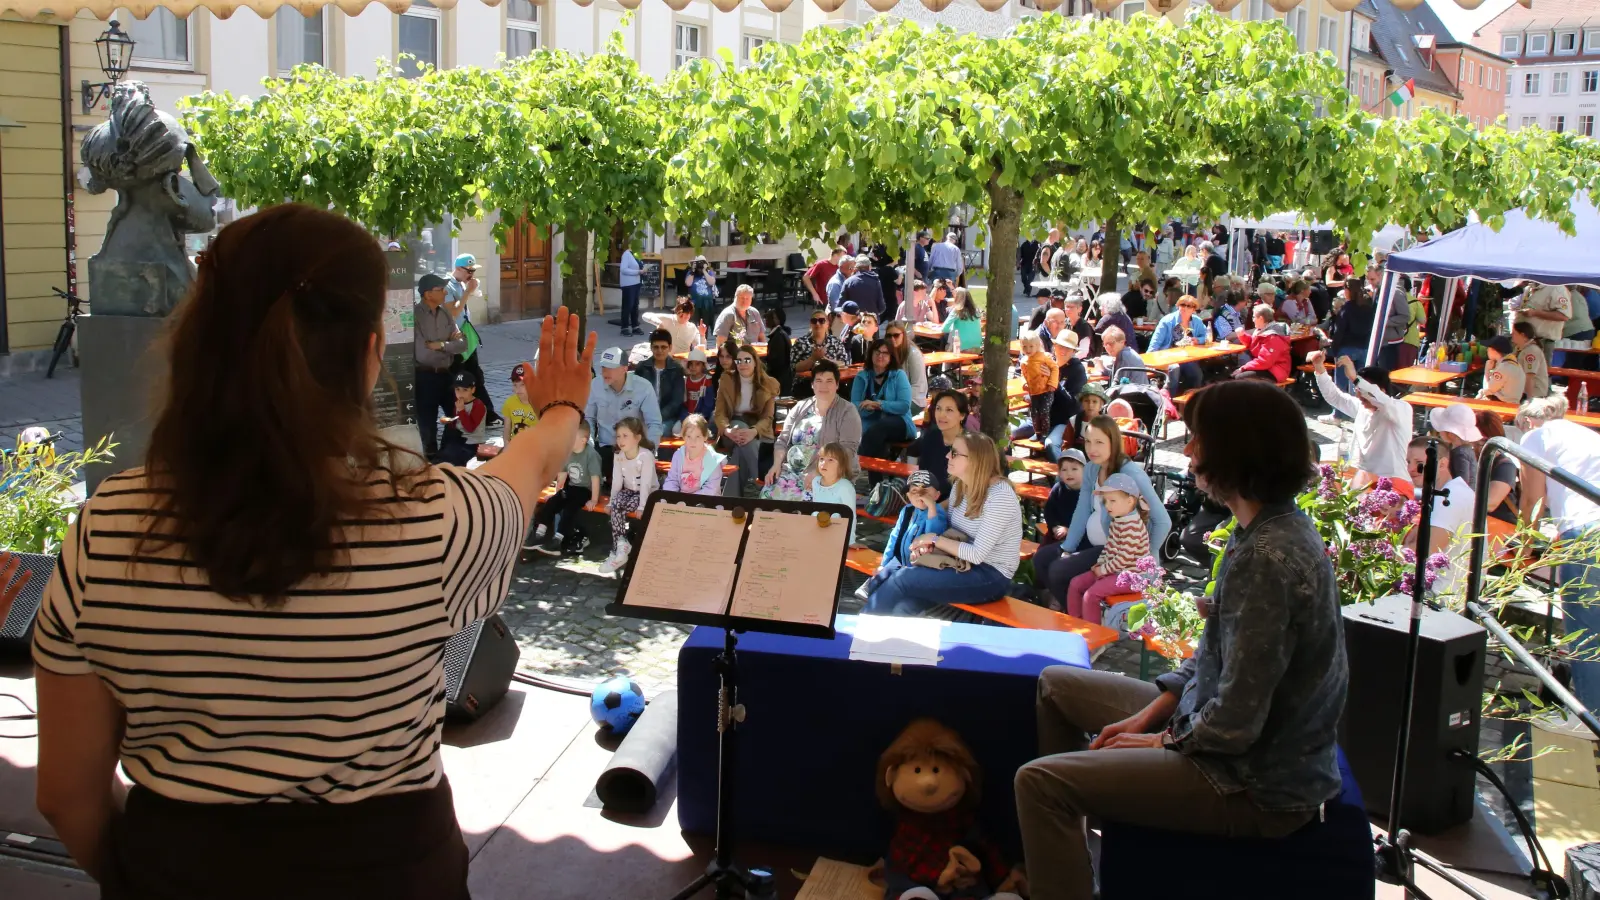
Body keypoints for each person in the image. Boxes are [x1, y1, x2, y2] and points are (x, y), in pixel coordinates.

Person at [29, 203, 596, 898]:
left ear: (200, 343)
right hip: (389, 874)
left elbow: (64, 795)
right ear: (366, 353)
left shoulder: (106, 528)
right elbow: (530, 465)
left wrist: (154, 875)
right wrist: (563, 408)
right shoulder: (436, 519)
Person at [1016, 379, 1344, 900]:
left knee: (1038, 783)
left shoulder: (1269, 558)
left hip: (1251, 780)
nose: (1187, 451)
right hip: (1210, 724)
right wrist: (1149, 714)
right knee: (1056, 685)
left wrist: (1158, 741)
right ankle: (1072, 858)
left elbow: (1237, 722)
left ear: (1236, 451)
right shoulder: (1254, 531)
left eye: (1197, 439)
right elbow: (1215, 655)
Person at [866, 432, 1022, 616]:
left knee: (902, 579)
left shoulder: (1000, 496)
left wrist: (933, 539)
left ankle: (858, 635)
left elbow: (977, 554)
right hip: (955, 563)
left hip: (990, 575)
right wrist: (925, 544)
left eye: (954, 453)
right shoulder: (960, 486)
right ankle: (882, 641)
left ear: (975, 460)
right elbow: (945, 525)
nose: (947, 456)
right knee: (903, 606)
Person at [1032, 416, 1170, 610]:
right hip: (1092, 542)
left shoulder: (1131, 474)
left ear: (1113, 443)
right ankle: (1074, 610)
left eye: (1099, 442)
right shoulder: (1091, 468)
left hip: (1116, 549)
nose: (1091, 449)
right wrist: (1068, 548)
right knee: (1041, 559)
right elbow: (1082, 510)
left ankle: (1084, 620)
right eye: (1088, 441)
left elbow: (1163, 521)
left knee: (1058, 571)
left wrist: (1144, 561)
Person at [1517, 395, 1600, 709]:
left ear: (1528, 421)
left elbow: (1532, 503)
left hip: (1587, 533)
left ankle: (1594, 719)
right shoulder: (1584, 436)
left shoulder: (1535, 436)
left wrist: (1522, 551)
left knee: (1587, 637)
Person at [1307, 350, 1412, 490]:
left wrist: (1354, 378)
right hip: (1365, 480)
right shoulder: (1362, 408)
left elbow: (1379, 399)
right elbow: (1335, 397)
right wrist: (1319, 367)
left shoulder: (1401, 409)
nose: (1359, 395)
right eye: (1357, 389)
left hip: (1395, 482)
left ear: (1382, 390)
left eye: (1361, 390)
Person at [764, 360, 861, 501]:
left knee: (802, 505)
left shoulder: (847, 411)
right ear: (812, 384)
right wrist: (776, 464)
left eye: (829, 381)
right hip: (792, 471)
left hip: (829, 475)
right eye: (819, 381)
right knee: (766, 500)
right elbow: (783, 440)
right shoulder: (801, 407)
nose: (823, 386)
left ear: (837, 385)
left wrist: (819, 471)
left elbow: (848, 450)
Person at [1064, 473, 1150, 623]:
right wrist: (1100, 563)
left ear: (1130, 501)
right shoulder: (1119, 520)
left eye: (1112, 501)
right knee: (1075, 584)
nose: (1107, 505)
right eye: (1105, 501)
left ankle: (1095, 638)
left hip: (1132, 577)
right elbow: (1109, 547)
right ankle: (1077, 624)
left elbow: (1124, 558)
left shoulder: (1133, 527)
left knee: (1091, 595)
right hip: (1115, 571)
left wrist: (1103, 570)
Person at [860, 469, 951, 601]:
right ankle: (871, 594)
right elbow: (894, 537)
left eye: (925, 491)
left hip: (918, 566)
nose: (919, 495)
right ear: (908, 495)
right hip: (898, 560)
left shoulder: (937, 513)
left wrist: (931, 507)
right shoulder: (907, 510)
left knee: (893, 589)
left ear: (936, 495)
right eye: (914, 491)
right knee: (879, 578)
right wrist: (884, 563)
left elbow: (933, 534)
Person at [1403, 436, 1476, 598]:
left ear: (1442, 464)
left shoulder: (1449, 497)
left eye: (1419, 463)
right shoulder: (1448, 492)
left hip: (1441, 595)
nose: (1411, 469)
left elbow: (1425, 550)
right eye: (1408, 462)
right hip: (1441, 590)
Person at [586, 346, 663, 485]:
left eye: (610, 368)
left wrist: (649, 452)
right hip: (606, 448)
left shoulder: (643, 387)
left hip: (634, 449)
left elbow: (654, 423)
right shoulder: (595, 385)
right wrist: (589, 446)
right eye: (603, 367)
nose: (605, 372)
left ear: (624, 368)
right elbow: (588, 419)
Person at [714, 341, 780, 496]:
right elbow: (720, 413)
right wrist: (727, 430)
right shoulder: (727, 380)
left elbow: (768, 418)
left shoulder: (769, 384)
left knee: (740, 452)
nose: (743, 364)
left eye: (747, 360)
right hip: (732, 430)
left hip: (758, 431)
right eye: (739, 361)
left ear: (755, 362)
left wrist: (754, 431)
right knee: (738, 426)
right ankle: (765, 485)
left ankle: (730, 500)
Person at [530, 420, 603, 556]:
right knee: (553, 502)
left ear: (583, 440)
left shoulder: (591, 455)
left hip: (586, 490)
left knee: (570, 509)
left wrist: (594, 499)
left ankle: (558, 539)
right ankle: (539, 534)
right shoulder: (567, 452)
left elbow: (595, 479)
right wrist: (557, 494)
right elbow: (562, 475)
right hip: (572, 487)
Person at [443, 254, 499, 426]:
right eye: (469, 271)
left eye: (474, 270)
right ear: (458, 269)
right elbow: (452, 313)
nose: (472, 274)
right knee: (458, 380)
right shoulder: (447, 285)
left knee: (476, 377)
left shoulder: (461, 283)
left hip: (466, 338)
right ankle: (459, 417)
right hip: (454, 340)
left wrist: (469, 289)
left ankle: (488, 415)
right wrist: (467, 292)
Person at [414, 272, 466, 457]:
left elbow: (463, 344)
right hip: (425, 376)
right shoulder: (415, 316)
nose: (445, 293)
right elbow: (423, 354)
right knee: (427, 420)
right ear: (428, 294)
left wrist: (441, 345)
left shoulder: (445, 313)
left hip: (446, 373)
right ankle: (429, 455)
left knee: (457, 414)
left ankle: (447, 452)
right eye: (441, 289)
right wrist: (449, 347)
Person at [599, 417, 657, 575]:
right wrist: (611, 502)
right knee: (617, 504)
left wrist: (643, 506)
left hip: (648, 494)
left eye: (625, 436)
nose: (620, 440)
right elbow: (617, 482)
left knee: (623, 505)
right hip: (630, 491)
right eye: (618, 436)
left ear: (637, 438)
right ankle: (621, 548)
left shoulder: (645, 456)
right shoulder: (618, 456)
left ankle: (618, 551)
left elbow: (646, 484)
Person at [852, 338, 916, 459]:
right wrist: (868, 408)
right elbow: (854, 405)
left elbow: (904, 405)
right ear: (871, 354)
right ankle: (876, 476)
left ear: (891, 357)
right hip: (870, 425)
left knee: (879, 428)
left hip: (899, 423)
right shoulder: (861, 376)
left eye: (885, 353)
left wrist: (879, 404)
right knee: (873, 434)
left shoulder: (898, 375)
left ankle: (859, 462)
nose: (880, 355)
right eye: (877, 352)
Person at [912, 389, 968, 500]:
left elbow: (966, 492)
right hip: (930, 500)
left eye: (949, 410)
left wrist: (936, 509)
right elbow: (923, 473)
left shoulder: (970, 443)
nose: (942, 415)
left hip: (957, 506)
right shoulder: (931, 436)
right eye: (938, 409)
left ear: (962, 415)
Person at [634, 329, 688, 439]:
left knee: (657, 432)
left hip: (667, 418)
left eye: (663, 347)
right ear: (651, 348)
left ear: (670, 347)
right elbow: (635, 396)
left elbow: (676, 401)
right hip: (643, 416)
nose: (659, 351)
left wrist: (657, 417)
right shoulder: (642, 368)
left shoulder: (676, 369)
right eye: (656, 347)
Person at [790, 308, 852, 399]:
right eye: (814, 321)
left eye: (821, 321)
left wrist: (826, 361)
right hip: (807, 383)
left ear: (827, 324)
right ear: (811, 324)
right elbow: (795, 368)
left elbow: (844, 364)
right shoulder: (800, 342)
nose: (817, 324)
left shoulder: (835, 342)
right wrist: (812, 359)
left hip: (831, 382)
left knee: (846, 392)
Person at [1510, 281, 1572, 368]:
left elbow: (1564, 315)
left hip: (1541, 342)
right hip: (1523, 340)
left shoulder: (1556, 288)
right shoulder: (1529, 287)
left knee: (1538, 375)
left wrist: (1535, 313)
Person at [1328, 279, 1375, 394]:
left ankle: (1339, 412)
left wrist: (1334, 350)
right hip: (1364, 347)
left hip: (1346, 348)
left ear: (1348, 290)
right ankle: (1357, 409)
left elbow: (1339, 331)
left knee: (1341, 385)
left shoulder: (1347, 308)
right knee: (1358, 383)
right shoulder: (1369, 307)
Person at [662, 414, 726, 497]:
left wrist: (689, 500)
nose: (693, 441)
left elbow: (711, 489)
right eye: (689, 437)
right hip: (681, 501)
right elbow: (672, 480)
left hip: (705, 502)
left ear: (705, 436)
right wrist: (672, 497)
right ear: (683, 437)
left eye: (698, 437)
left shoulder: (713, 460)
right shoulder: (678, 455)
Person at [435, 371, 487, 467]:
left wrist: (462, 410)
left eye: (465, 390)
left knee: (451, 458)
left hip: (472, 442)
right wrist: (449, 421)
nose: (460, 393)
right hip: (459, 438)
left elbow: (470, 428)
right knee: (443, 455)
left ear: (473, 390)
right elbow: (458, 422)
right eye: (457, 389)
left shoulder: (478, 405)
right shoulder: (458, 403)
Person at [809, 442, 858, 543]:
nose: (823, 463)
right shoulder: (815, 482)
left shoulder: (845, 487)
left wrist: (850, 541)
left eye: (830, 460)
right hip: (818, 531)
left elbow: (851, 515)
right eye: (822, 459)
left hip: (837, 534)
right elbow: (815, 509)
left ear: (841, 465)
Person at [1020, 331, 1061, 442]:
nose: (1027, 349)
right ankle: (1037, 433)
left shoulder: (1044, 357)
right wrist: (1024, 384)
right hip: (1034, 391)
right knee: (1034, 413)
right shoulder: (1024, 361)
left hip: (1046, 390)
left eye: (1031, 346)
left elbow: (1055, 368)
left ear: (1037, 346)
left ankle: (1045, 433)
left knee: (1044, 411)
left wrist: (1052, 383)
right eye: (1024, 346)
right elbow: (1023, 374)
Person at [1235, 304, 1291, 383]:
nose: (1253, 319)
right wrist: (1242, 335)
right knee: (1235, 377)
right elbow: (1254, 344)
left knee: (1239, 379)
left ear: (1261, 318)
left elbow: (1265, 361)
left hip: (1276, 371)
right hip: (1266, 368)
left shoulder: (1273, 336)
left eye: (1254, 317)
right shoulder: (1263, 330)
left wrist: (1243, 368)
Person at [1042, 450, 1087, 545]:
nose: (1069, 473)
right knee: (1040, 556)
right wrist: (1054, 527)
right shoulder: (1058, 488)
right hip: (1058, 533)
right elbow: (1049, 511)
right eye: (1064, 470)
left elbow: (1089, 520)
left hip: (1081, 538)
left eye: (1074, 469)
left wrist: (1069, 530)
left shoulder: (1089, 492)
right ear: (1060, 473)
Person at [885, 320, 929, 412]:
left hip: (914, 400)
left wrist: (896, 400)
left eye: (896, 335)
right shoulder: (887, 353)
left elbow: (918, 386)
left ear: (903, 335)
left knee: (886, 417)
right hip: (894, 399)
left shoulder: (913, 354)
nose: (892, 339)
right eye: (889, 336)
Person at [1480, 334, 1528, 403]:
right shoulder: (1515, 363)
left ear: (1493, 350)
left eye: (1488, 348)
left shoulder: (1504, 367)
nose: (1487, 350)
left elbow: (1487, 390)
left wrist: (1487, 371)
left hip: (1503, 404)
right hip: (1513, 402)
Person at [1511, 321, 1551, 399]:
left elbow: (1530, 377)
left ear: (1522, 335)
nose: (1512, 335)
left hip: (1534, 394)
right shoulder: (1519, 348)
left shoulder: (1531, 351)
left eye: (1514, 333)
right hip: (1521, 391)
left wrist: (1529, 400)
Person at [501, 363, 539, 440]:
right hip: (515, 445)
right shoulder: (509, 402)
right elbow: (507, 429)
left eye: (522, 385)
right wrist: (506, 446)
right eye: (515, 385)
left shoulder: (540, 404)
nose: (518, 389)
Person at [942, 287, 983, 353]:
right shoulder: (976, 310)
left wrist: (953, 329)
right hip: (977, 347)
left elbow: (944, 329)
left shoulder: (957, 311)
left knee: (946, 346)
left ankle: (944, 363)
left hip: (961, 348)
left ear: (957, 298)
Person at [683, 255, 719, 321]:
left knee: (705, 324)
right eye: (697, 263)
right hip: (694, 302)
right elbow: (688, 284)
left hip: (707, 303)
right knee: (693, 323)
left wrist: (704, 271)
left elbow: (712, 282)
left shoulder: (709, 272)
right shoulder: (691, 273)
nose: (699, 265)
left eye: (701, 263)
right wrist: (693, 271)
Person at [618, 244, 643, 336]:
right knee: (627, 306)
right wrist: (638, 272)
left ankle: (635, 326)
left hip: (636, 283)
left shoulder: (635, 255)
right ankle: (624, 328)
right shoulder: (626, 254)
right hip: (628, 284)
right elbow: (623, 269)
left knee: (635, 306)